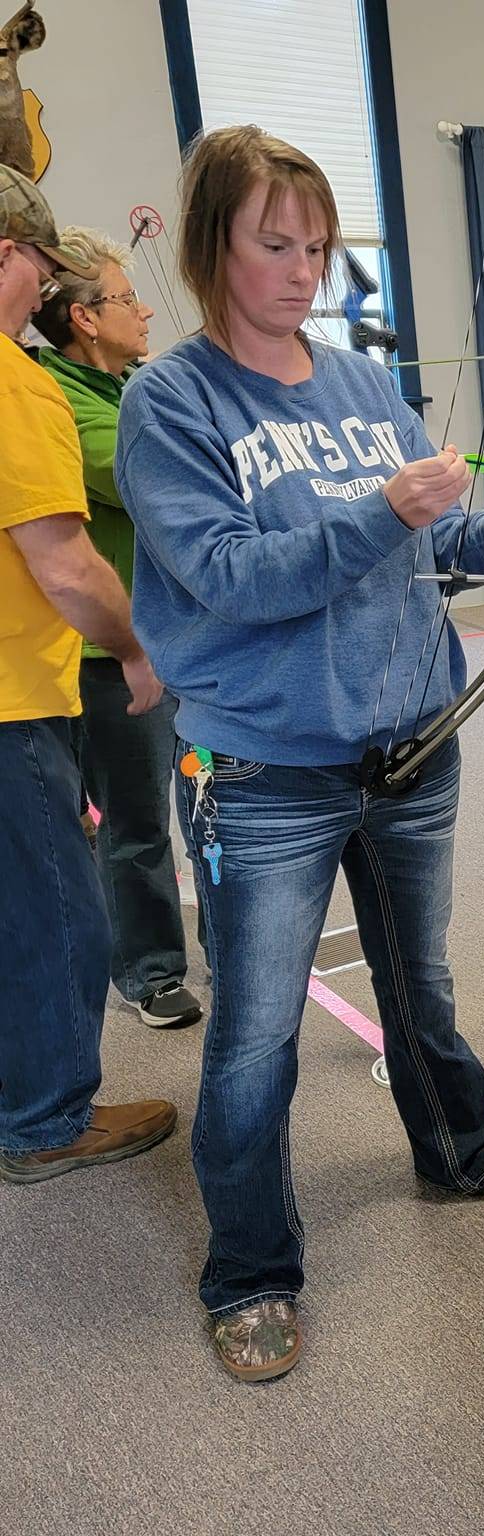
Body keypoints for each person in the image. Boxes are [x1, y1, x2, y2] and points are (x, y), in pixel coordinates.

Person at [115, 126, 484, 1384]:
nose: (305, 269)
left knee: (421, 981)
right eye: (275, 243)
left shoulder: (363, 384)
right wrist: (387, 512)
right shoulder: (172, 402)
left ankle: (458, 1149)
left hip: (413, 742)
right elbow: (232, 578)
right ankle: (250, 1269)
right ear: (215, 246)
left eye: (318, 246)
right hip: (266, 770)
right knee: (254, 1037)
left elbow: (437, 534)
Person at [0, 164, 178, 1185]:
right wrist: (134, 646)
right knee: (57, 913)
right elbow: (65, 560)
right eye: (42, 269)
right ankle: (48, 1119)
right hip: (19, 697)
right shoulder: (22, 383)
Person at [33, 227, 203, 1031]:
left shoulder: (132, 387)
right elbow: (140, 476)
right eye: (126, 300)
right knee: (136, 823)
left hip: (182, 640)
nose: (144, 313)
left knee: (205, 798)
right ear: (85, 320)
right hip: (112, 653)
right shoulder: (63, 400)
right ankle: (149, 972)